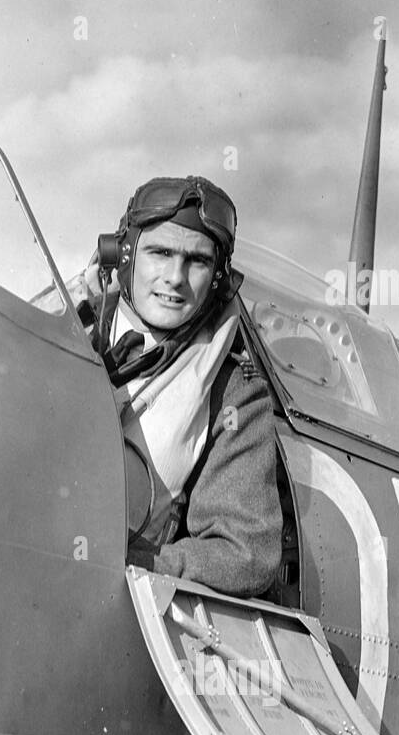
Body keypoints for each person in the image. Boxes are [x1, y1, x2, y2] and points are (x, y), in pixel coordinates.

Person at [69, 176, 281, 598]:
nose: (175, 278)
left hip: (109, 592)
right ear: (124, 255)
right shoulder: (66, 326)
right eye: (160, 253)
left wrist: (138, 563)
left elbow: (246, 551)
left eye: (197, 261)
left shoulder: (233, 392)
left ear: (219, 278)